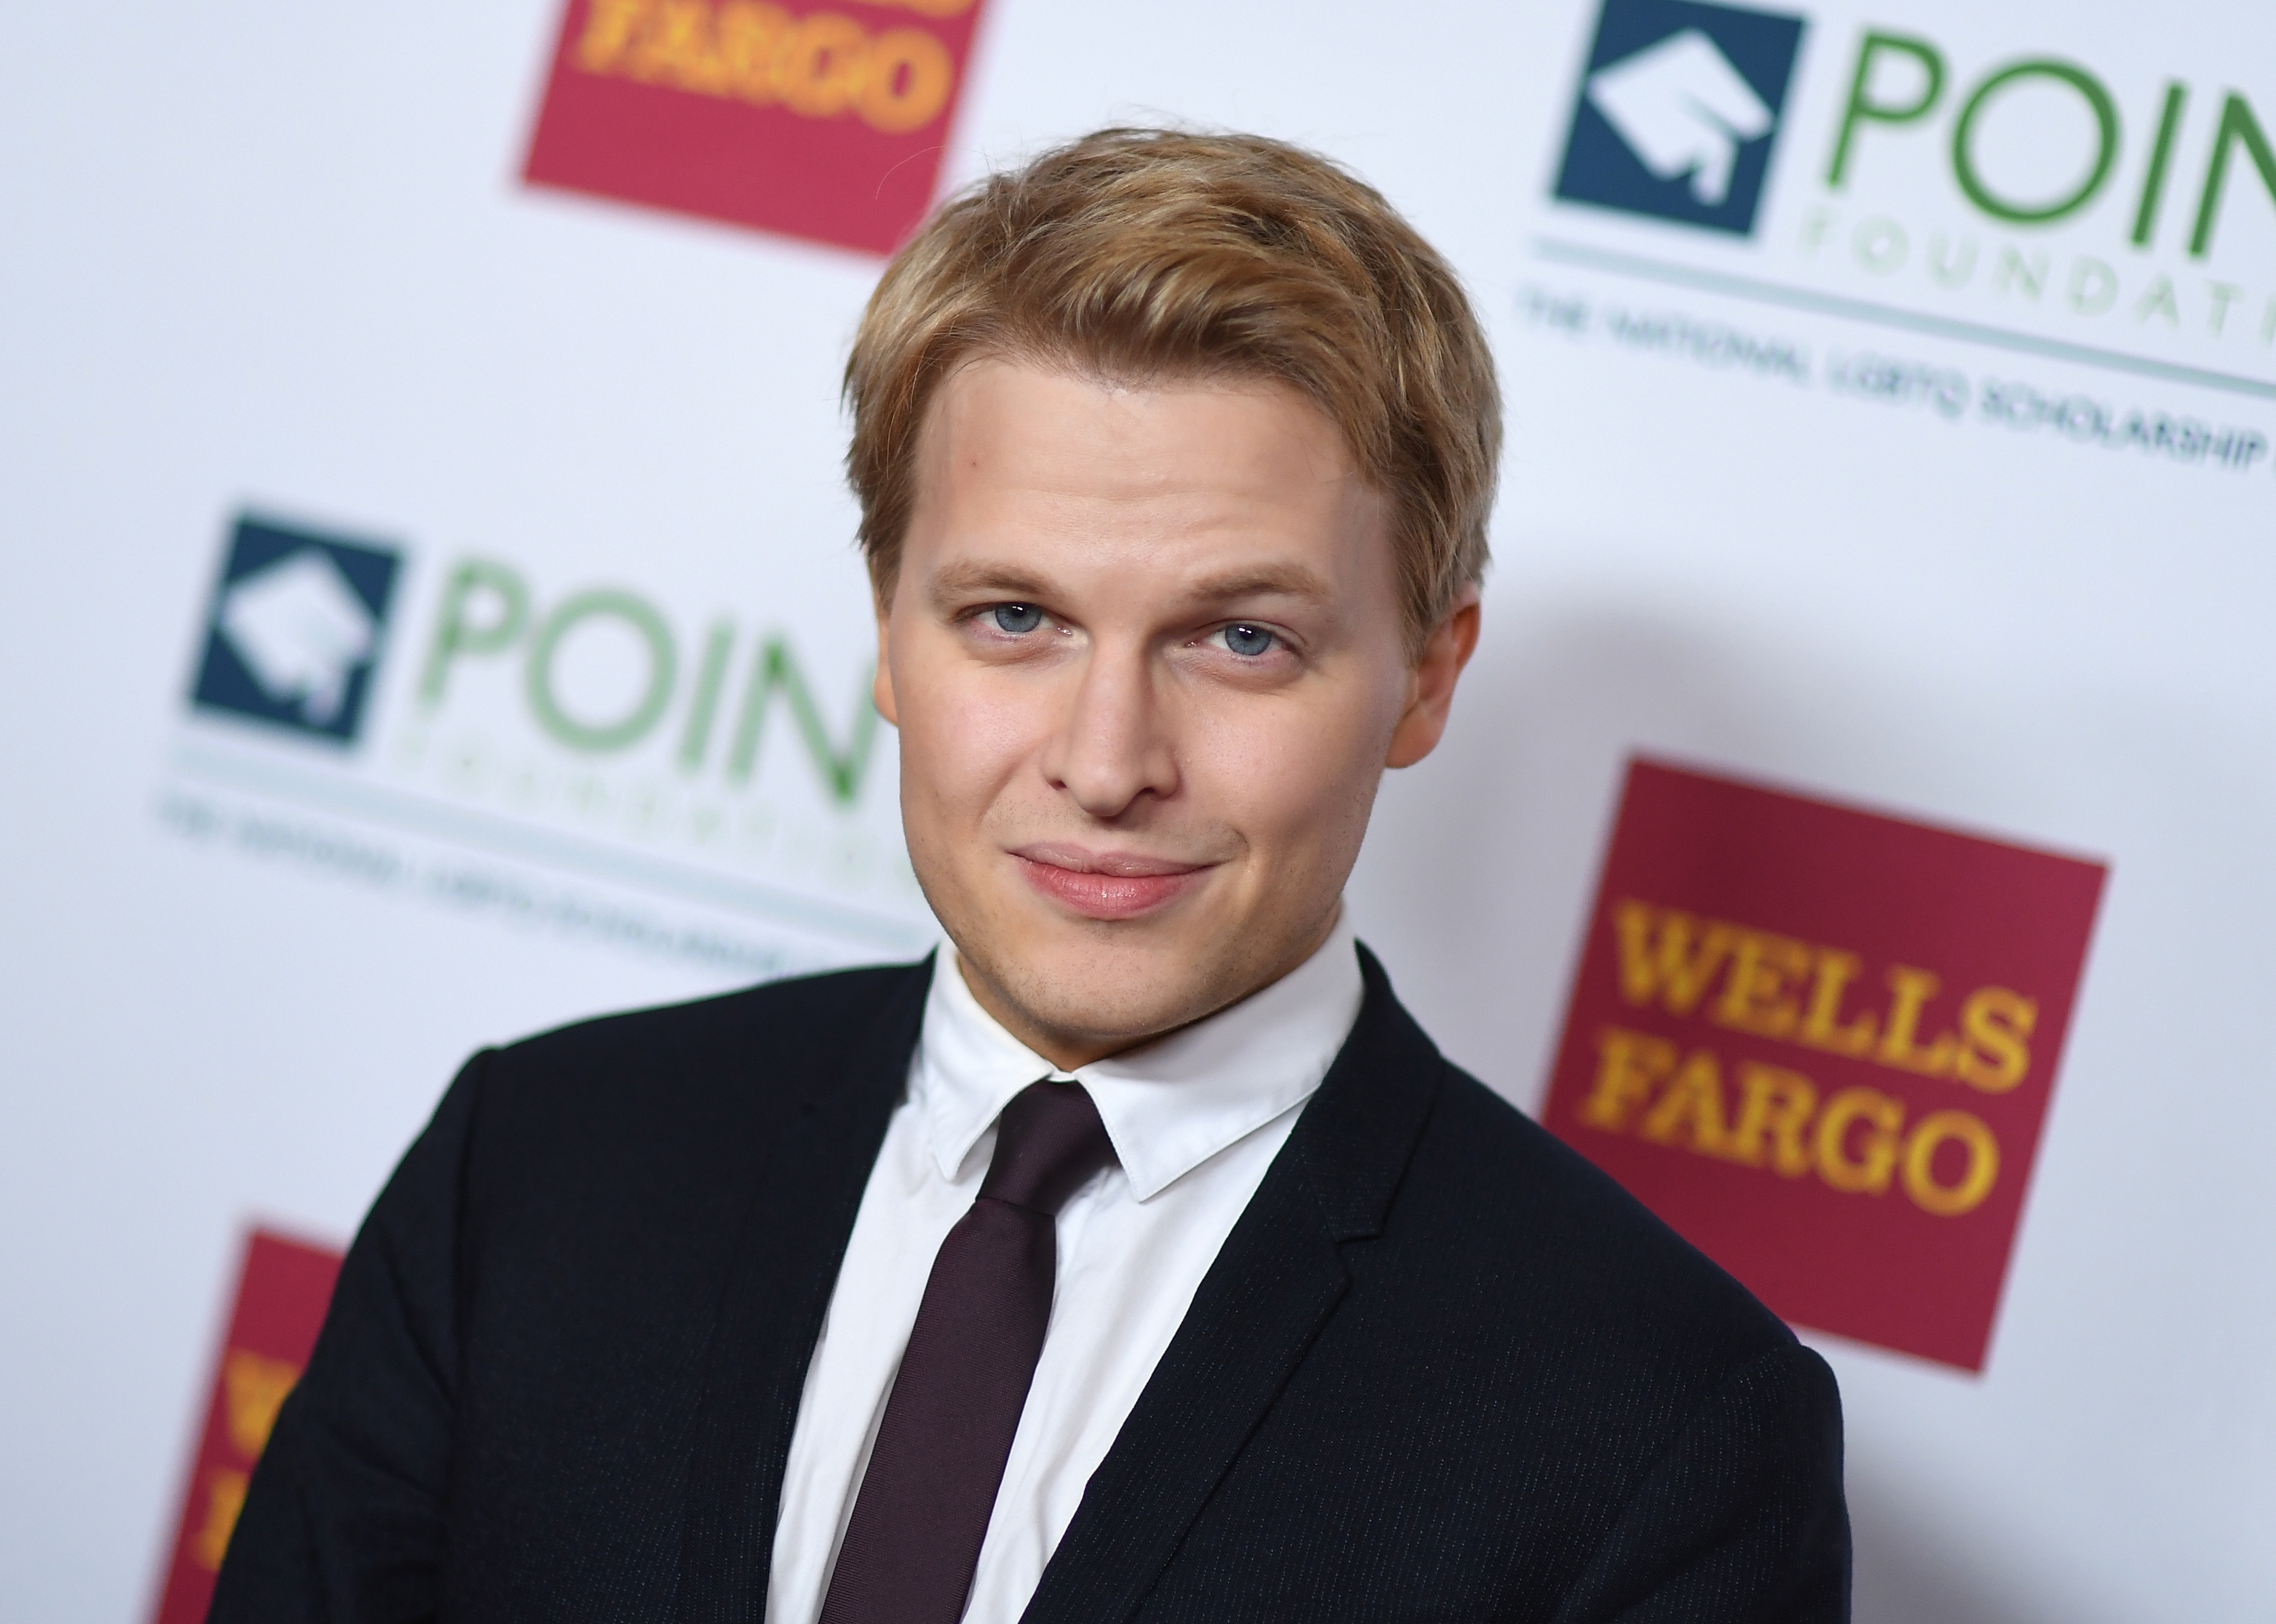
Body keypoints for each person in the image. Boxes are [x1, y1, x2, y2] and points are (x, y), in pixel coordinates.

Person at [211, 128, 1850, 1624]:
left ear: (1425, 678)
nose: (1105, 756)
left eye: (1239, 637)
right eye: (1016, 616)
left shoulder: (1664, 1422)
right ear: (885, 627)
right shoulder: (538, 1169)